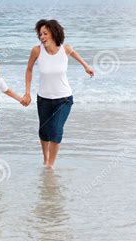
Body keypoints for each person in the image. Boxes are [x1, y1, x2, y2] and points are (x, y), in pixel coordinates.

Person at [23, 19, 94, 169]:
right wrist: (27, 92)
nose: (42, 37)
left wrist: (86, 66)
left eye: (45, 33)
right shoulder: (37, 50)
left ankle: (50, 166)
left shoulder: (65, 49)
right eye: (40, 34)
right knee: (44, 131)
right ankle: (45, 158)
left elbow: (73, 53)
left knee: (55, 130)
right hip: (43, 99)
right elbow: (29, 69)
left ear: (54, 33)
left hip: (64, 99)